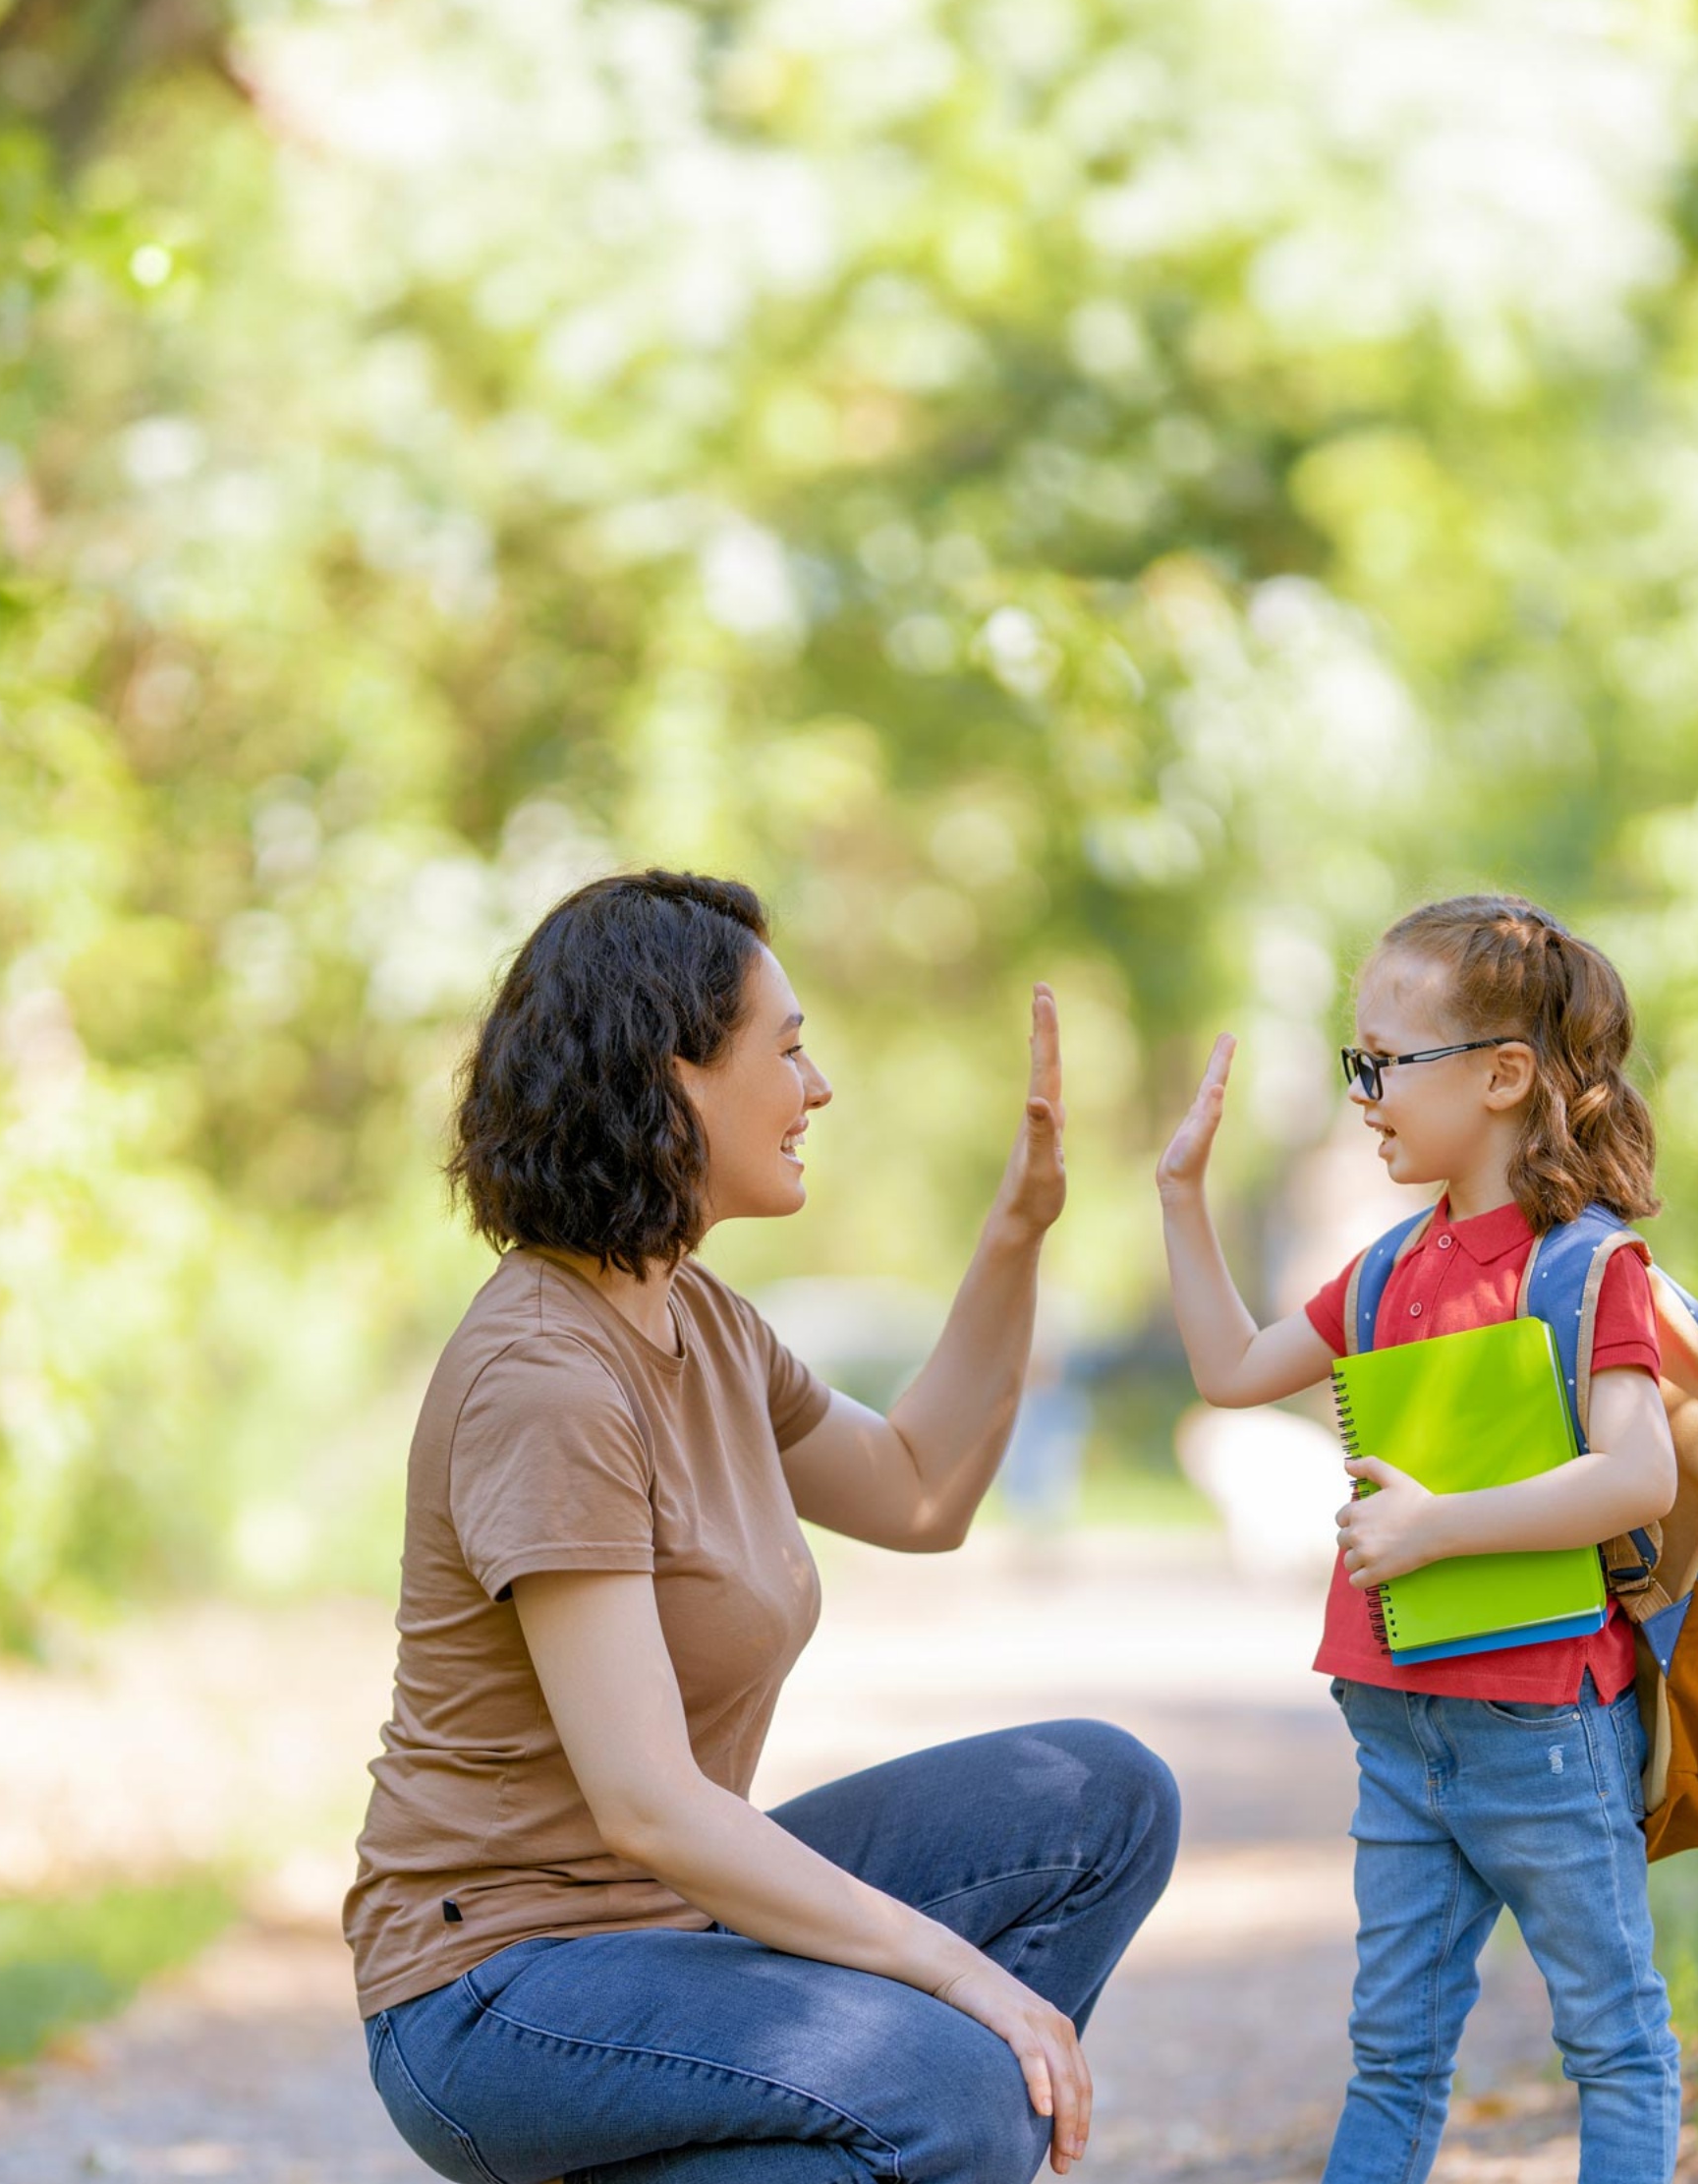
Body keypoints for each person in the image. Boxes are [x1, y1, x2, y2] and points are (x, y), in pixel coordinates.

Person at [350, 870, 1182, 2184]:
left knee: (1099, 1795)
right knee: (953, 2087)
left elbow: (919, 1492)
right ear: (671, 1077)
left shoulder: (703, 1321)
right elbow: (650, 1805)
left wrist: (1018, 1231)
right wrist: (963, 1982)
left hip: (668, 1932)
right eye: (788, 1050)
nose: (819, 1087)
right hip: (493, 1995)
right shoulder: (548, 1377)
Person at [1151, 894, 1685, 2184]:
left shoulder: (1584, 1271)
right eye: (1358, 1064)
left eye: (1384, 1063)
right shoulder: (1388, 1273)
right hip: (1398, 1729)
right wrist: (1178, 1194)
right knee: (1391, 2056)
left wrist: (1443, 1528)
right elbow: (1229, 1367)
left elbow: (1638, 1473)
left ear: (1504, 1075)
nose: (1365, 1092)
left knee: (1613, 2043)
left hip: (1544, 1729)